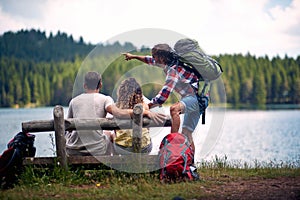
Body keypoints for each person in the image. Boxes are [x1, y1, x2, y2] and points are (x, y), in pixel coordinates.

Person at [123, 44, 203, 153]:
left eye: (155, 56)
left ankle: (172, 145)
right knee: (187, 133)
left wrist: (149, 105)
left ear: (161, 58)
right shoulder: (168, 62)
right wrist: (134, 56)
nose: (154, 59)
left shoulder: (173, 70)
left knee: (174, 109)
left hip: (196, 99)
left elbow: (164, 95)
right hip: (195, 98)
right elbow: (149, 60)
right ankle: (190, 164)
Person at [65, 71, 165, 156]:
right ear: (100, 84)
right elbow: (119, 114)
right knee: (109, 135)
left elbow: (67, 127)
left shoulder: (74, 101)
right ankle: (112, 165)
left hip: (73, 148)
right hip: (141, 148)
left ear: (84, 85)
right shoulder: (106, 99)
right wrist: (142, 111)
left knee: (110, 134)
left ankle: (116, 164)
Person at [113, 77, 153, 154]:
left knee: (113, 138)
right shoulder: (144, 106)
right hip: (144, 148)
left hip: (123, 149)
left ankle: (116, 164)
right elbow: (147, 129)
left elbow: (115, 131)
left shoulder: (117, 108)